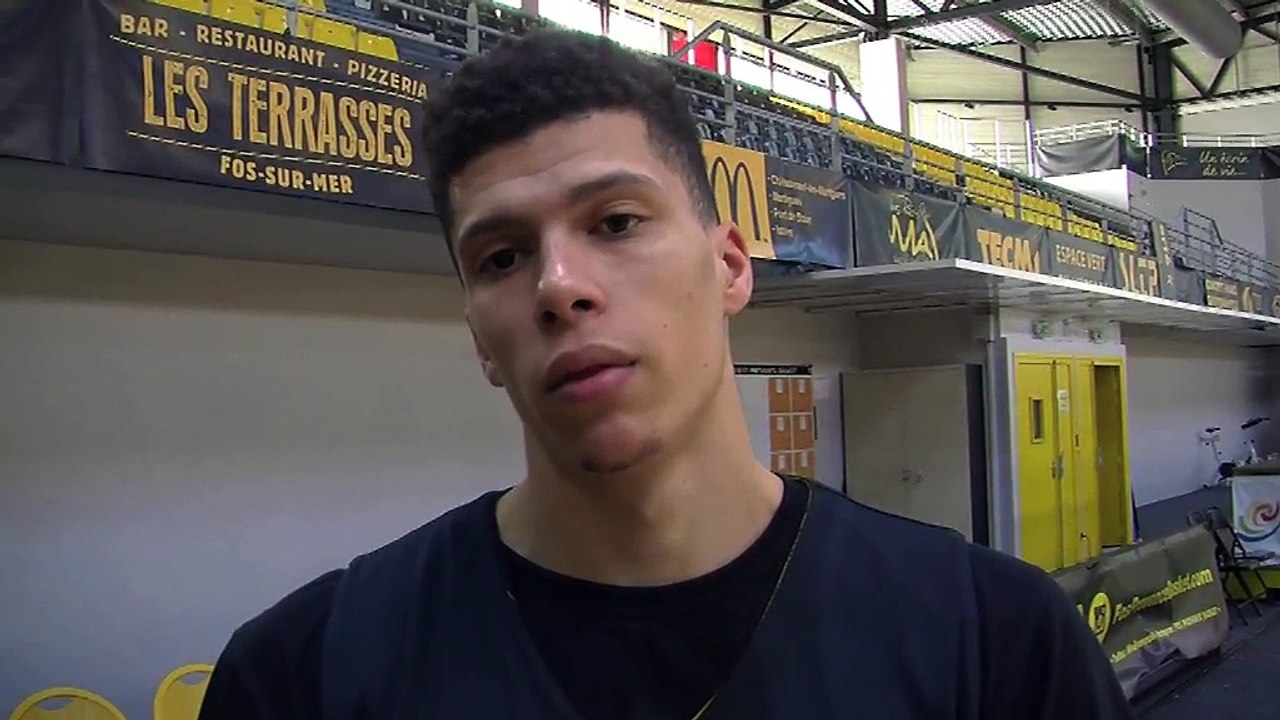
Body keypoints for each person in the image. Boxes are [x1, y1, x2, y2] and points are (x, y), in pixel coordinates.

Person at [197, 29, 1133, 720]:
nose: (560, 287)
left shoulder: (1000, 647)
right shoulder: (301, 677)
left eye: (614, 223)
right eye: (501, 258)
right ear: (481, 338)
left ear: (730, 266)